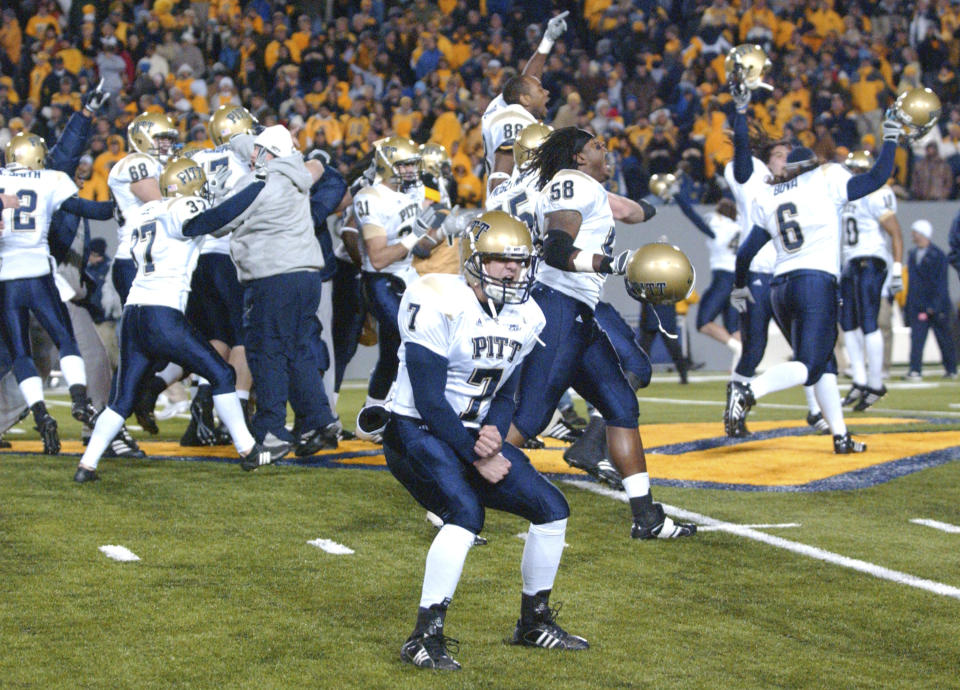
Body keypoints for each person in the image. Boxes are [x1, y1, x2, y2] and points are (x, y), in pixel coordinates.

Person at [384, 211, 587, 671]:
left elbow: (506, 392)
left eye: (519, 262)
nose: (512, 271)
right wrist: (478, 457)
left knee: (552, 508)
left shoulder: (527, 313)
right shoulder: (436, 298)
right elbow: (431, 402)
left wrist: (493, 432)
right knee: (464, 513)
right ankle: (424, 636)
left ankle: (533, 623)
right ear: (475, 260)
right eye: (500, 261)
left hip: (470, 434)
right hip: (414, 430)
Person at [506, 127, 696, 540]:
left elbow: (633, 211)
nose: (605, 149)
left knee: (620, 404)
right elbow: (556, 248)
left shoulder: (586, 187)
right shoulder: (571, 183)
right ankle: (457, 494)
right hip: (557, 305)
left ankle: (647, 517)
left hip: (578, 311)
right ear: (577, 157)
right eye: (595, 146)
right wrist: (610, 263)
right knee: (531, 418)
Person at [73, 158, 276, 483]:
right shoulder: (183, 208)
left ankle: (87, 465)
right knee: (223, 373)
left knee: (122, 399)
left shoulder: (144, 212)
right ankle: (249, 450)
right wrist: (257, 186)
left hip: (134, 313)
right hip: (162, 312)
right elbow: (211, 220)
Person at [725, 107, 909, 453]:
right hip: (815, 283)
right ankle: (748, 391)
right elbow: (876, 177)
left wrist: (739, 286)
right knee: (810, 365)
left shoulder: (771, 194)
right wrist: (890, 138)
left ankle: (840, 436)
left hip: (781, 287)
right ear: (812, 164)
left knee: (825, 363)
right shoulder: (827, 177)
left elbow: (746, 253)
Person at [176, 124, 335, 461]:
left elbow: (221, 220)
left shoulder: (261, 182)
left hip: (273, 277)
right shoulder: (294, 172)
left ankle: (272, 431)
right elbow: (250, 146)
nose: (251, 156)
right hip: (305, 276)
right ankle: (319, 420)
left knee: (266, 353)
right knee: (299, 351)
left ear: (267, 154)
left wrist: (189, 225)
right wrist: (240, 139)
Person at [723, 86, 829, 437]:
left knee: (808, 350)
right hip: (755, 273)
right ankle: (734, 409)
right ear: (767, 160)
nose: (786, 159)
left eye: (789, 155)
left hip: (788, 275)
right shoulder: (752, 179)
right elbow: (740, 150)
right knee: (754, 348)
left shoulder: (801, 188)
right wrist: (741, 109)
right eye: (780, 154)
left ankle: (816, 411)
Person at [0, 132, 115, 454]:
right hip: (39, 277)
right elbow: (91, 210)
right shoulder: (51, 179)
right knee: (67, 341)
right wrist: (116, 205)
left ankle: (41, 416)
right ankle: (80, 400)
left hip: (7, 280)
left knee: (22, 356)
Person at [352, 136, 453, 442]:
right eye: (404, 164)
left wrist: (442, 227)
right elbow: (379, 258)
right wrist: (416, 236)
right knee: (410, 343)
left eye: (413, 164)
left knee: (392, 352)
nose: (411, 170)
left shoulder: (416, 193)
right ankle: (398, 415)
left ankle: (370, 417)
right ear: (385, 165)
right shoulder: (369, 196)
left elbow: (425, 240)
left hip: (407, 276)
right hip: (380, 280)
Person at [838, 150, 904, 411]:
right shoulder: (843, 195)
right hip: (851, 262)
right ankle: (860, 379)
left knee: (868, 321)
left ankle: (876, 383)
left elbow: (896, 234)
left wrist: (897, 269)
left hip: (871, 260)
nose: (852, 174)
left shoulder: (875, 193)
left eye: (855, 170)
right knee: (849, 323)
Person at [481, 11, 567, 189]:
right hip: (515, 211)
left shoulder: (506, 104)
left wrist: (548, 40)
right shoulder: (513, 118)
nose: (547, 93)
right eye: (540, 90)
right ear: (525, 99)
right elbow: (500, 175)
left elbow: (528, 80)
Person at [673, 192, 742, 366]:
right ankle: (740, 370)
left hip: (723, 278)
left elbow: (692, 215)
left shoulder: (720, 226)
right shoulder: (740, 226)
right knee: (734, 328)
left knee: (703, 323)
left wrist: (677, 195)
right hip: (739, 280)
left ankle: (738, 349)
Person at [905, 219, 957, 379]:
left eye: (915, 232)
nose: (913, 235)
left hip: (937, 307)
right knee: (917, 340)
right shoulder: (913, 255)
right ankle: (915, 369)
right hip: (918, 306)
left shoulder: (938, 255)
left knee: (944, 340)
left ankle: (951, 369)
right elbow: (912, 284)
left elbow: (941, 283)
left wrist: (933, 306)